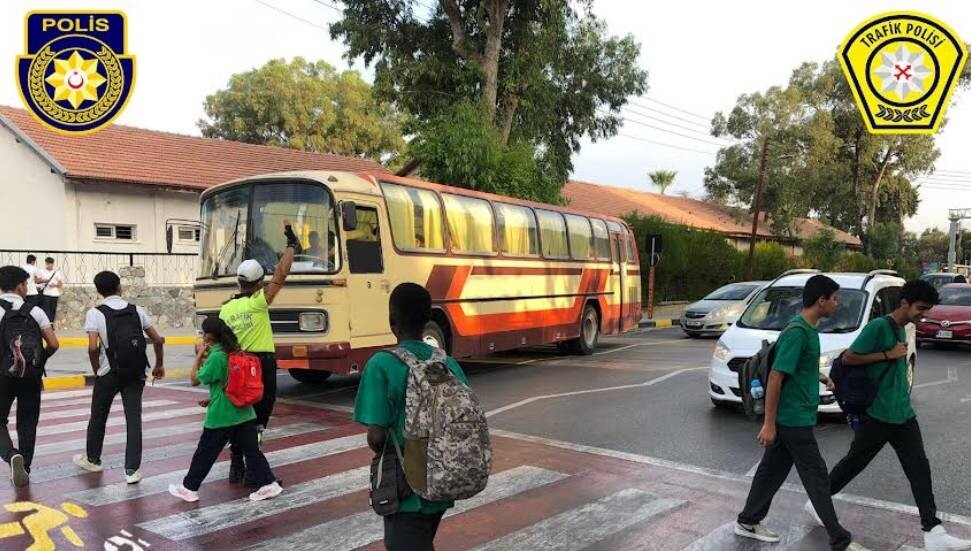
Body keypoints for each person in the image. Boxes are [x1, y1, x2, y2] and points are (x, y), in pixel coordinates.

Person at [815, 280, 971, 551]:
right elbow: (849, 358)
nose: (923, 314)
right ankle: (819, 502)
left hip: (902, 413)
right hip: (878, 413)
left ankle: (933, 531)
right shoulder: (878, 327)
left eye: (927, 310)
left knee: (919, 468)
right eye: (920, 308)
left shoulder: (903, 327)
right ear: (904, 303)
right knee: (854, 462)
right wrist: (887, 354)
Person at [735, 275, 865, 551]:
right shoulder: (798, 332)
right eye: (835, 299)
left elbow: (797, 366)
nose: (837, 304)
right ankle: (839, 538)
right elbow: (776, 377)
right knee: (816, 476)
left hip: (796, 417)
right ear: (821, 300)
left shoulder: (808, 330)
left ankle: (748, 520)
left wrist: (819, 376)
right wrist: (769, 424)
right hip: (792, 419)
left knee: (771, 472)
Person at [354, 283, 470, 550]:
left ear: (392, 320)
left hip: (406, 487)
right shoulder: (447, 362)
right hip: (442, 479)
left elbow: (376, 437)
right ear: (428, 318)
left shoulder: (381, 364)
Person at [168, 317, 282, 503]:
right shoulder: (235, 351)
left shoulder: (217, 356)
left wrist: (199, 355)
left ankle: (189, 488)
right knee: (252, 451)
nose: (202, 337)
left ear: (209, 337)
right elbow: (230, 382)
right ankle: (268, 483)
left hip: (223, 414)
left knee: (205, 452)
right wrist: (211, 397)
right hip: (244, 411)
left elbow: (195, 379)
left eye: (203, 333)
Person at [219, 222, 298, 486]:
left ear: (239, 282)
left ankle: (236, 465)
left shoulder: (225, 310)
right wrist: (291, 246)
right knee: (259, 421)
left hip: (236, 366)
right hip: (260, 367)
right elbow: (281, 275)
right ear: (259, 283)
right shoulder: (258, 303)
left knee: (241, 416)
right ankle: (254, 470)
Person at [72, 271, 165, 484]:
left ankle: (93, 459)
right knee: (133, 418)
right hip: (136, 372)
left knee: (98, 416)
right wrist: (159, 364)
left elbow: (93, 347)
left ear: (98, 291)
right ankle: (132, 470)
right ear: (119, 287)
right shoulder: (136, 310)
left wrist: (97, 369)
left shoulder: (95, 313)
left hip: (109, 373)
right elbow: (158, 340)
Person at [0, 265, 59, 487]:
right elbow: (53, 343)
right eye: (26, 284)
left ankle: (10, 454)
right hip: (31, 376)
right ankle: (24, 467)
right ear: (19, 286)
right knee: (27, 422)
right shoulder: (36, 311)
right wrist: (39, 360)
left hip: (3, 375)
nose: (27, 288)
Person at [36, 257, 64, 325]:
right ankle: (46, 324)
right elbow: (37, 281)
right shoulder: (42, 271)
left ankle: (51, 324)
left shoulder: (56, 272)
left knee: (53, 310)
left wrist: (55, 285)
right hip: (46, 293)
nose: (49, 265)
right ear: (46, 263)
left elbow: (60, 284)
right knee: (46, 310)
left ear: (53, 264)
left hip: (55, 294)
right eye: (48, 263)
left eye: (51, 263)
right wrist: (44, 281)